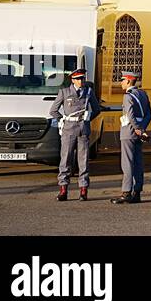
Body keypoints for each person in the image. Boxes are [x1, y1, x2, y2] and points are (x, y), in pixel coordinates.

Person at [50, 68, 101, 201]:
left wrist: (88, 118)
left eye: (82, 78)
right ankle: (63, 189)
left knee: (83, 160)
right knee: (65, 159)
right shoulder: (65, 92)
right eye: (78, 79)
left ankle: (83, 190)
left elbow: (96, 109)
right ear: (72, 80)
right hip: (68, 129)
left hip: (83, 129)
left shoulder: (89, 92)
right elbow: (53, 110)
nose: (81, 81)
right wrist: (63, 120)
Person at [111, 71, 151, 205]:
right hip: (139, 132)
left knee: (127, 162)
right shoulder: (143, 94)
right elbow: (149, 114)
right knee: (138, 162)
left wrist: (137, 128)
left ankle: (126, 192)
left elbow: (130, 115)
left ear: (128, 81)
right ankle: (137, 191)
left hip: (129, 132)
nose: (121, 82)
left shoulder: (127, 96)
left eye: (122, 80)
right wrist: (142, 128)